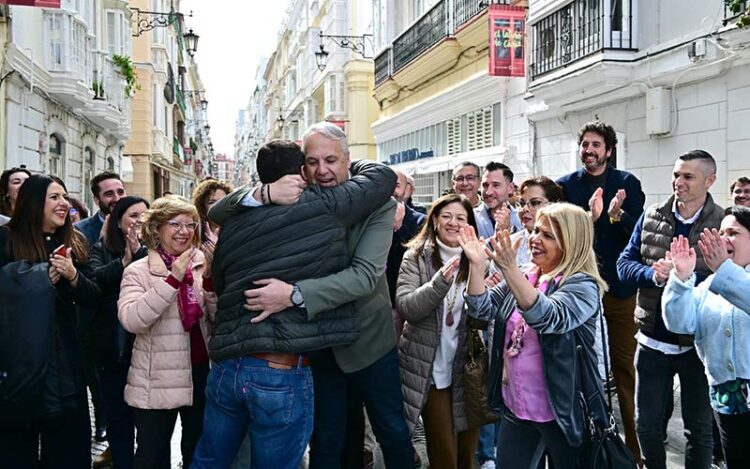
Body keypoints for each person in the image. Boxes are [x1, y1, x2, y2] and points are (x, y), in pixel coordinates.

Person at [191, 139, 396, 468]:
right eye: (313, 163)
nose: (321, 170)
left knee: (209, 460)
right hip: (278, 369)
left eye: (330, 161)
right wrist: (348, 163)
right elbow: (383, 177)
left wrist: (263, 194)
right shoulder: (322, 203)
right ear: (301, 172)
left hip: (227, 366)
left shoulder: (233, 222)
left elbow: (220, 271)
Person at [459, 203, 609, 469]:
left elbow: (548, 317)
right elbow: (481, 309)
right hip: (518, 406)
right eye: (536, 230)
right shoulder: (528, 273)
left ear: (571, 243)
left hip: (563, 412)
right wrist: (476, 266)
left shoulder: (582, 284)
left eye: (548, 235)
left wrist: (509, 269)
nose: (535, 239)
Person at [617, 149, 723, 469]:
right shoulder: (652, 215)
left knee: (700, 430)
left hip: (698, 343)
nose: (678, 182)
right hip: (651, 340)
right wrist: (653, 274)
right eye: (676, 174)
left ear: (710, 180)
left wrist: (686, 277)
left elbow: (733, 279)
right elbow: (624, 265)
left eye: (688, 176)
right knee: (646, 425)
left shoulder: (722, 222)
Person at [556, 120, 646, 463]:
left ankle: (633, 449)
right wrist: (589, 217)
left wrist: (616, 215)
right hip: (579, 287)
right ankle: (588, 443)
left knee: (624, 366)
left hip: (620, 290)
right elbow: (562, 232)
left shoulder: (627, 183)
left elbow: (636, 233)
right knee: (581, 365)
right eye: (585, 144)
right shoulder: (566, 186)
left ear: (608, 150)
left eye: (596, 145)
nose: (589, 150)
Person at [0, 174, 101, 467]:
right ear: (33, 203)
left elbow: (93, 296)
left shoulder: (74, 241)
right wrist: (38, 278)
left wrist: (72, 277)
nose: (63, 204)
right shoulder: (6, 239)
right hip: (18, 364)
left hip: (65, 362)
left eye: (65, 197)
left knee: (68, 449)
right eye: (54, 197)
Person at [117, 195, 216, 468]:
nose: (184, 231)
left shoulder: (202, 263)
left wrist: (210, 281)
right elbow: (132, 319)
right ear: (156, 228)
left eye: (190, 224)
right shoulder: (139, 270)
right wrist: (172, 278)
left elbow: (216, 320)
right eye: (175, 224)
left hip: (199, 372)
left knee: (197, 450)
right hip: (156, 378)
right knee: (152, 455)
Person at [396, 193, 480, 469]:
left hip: (469, 368)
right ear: (433, 220)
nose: (453, 223)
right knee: (443, 450)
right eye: (446, 216)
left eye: (461, 218)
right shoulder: (416, 257)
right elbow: (407, 307)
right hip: (429, 367)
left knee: (468, 451)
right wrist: (439, 282)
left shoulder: (480, 258)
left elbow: (489, 314)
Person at [662, 206, 750, 469]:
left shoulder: (723, 276)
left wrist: (723, 269)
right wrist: (681, 277)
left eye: (733, 233)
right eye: (720, 232)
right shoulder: (708, 286)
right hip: (727, 402)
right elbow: (679, 322)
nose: (723, 239)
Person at [89, 196, 150, 469]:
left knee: (148, 424)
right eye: (133, 215)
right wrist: (125, 261)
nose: (139, 221)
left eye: (144, 215)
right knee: (119, 419)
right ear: (119, 221)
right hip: (113, 349)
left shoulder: (156, 251)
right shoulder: (101, 248)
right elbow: (93, 283)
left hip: (147, 348)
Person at [512, 177, 564, 268]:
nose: (525, 209)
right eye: (522, 204)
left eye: (535, 203)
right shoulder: (509, 242)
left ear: (554, 204)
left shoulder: (564, 243)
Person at [76, 171, 127, 246]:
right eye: (109, 194)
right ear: (96, 200)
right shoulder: (80, 231)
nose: (117, 198)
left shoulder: (138, 226)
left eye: (120, 192)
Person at [474, 161, 522, 241]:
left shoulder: (521, 218)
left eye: (496, 185)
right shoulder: (470, 217)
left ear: (510, 188)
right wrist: (497, 238)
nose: (488, 192)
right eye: (485, 185)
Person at [192, 177, 232, 244]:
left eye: (222, 201)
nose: (217, 206)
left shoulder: (237, 229)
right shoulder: (194, 231)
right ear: (202, 206)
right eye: (211, 202)